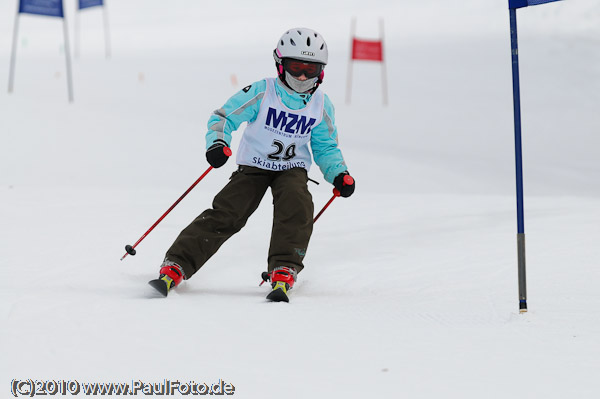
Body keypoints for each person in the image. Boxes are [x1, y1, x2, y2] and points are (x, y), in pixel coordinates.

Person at [151, 27, 355, 301]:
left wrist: (339, 174)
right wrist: (217, 144)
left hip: (291, 167)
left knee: (297, 202)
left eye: (312, 69)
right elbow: (224, 117)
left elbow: (325, 146)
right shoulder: (263, 91)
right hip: (254, 166)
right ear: (280, 64)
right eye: (296, 68)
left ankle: (284, 267)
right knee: (229, 211)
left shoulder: (320, 104)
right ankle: (177, 263)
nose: (304, 76)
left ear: (322, 71)